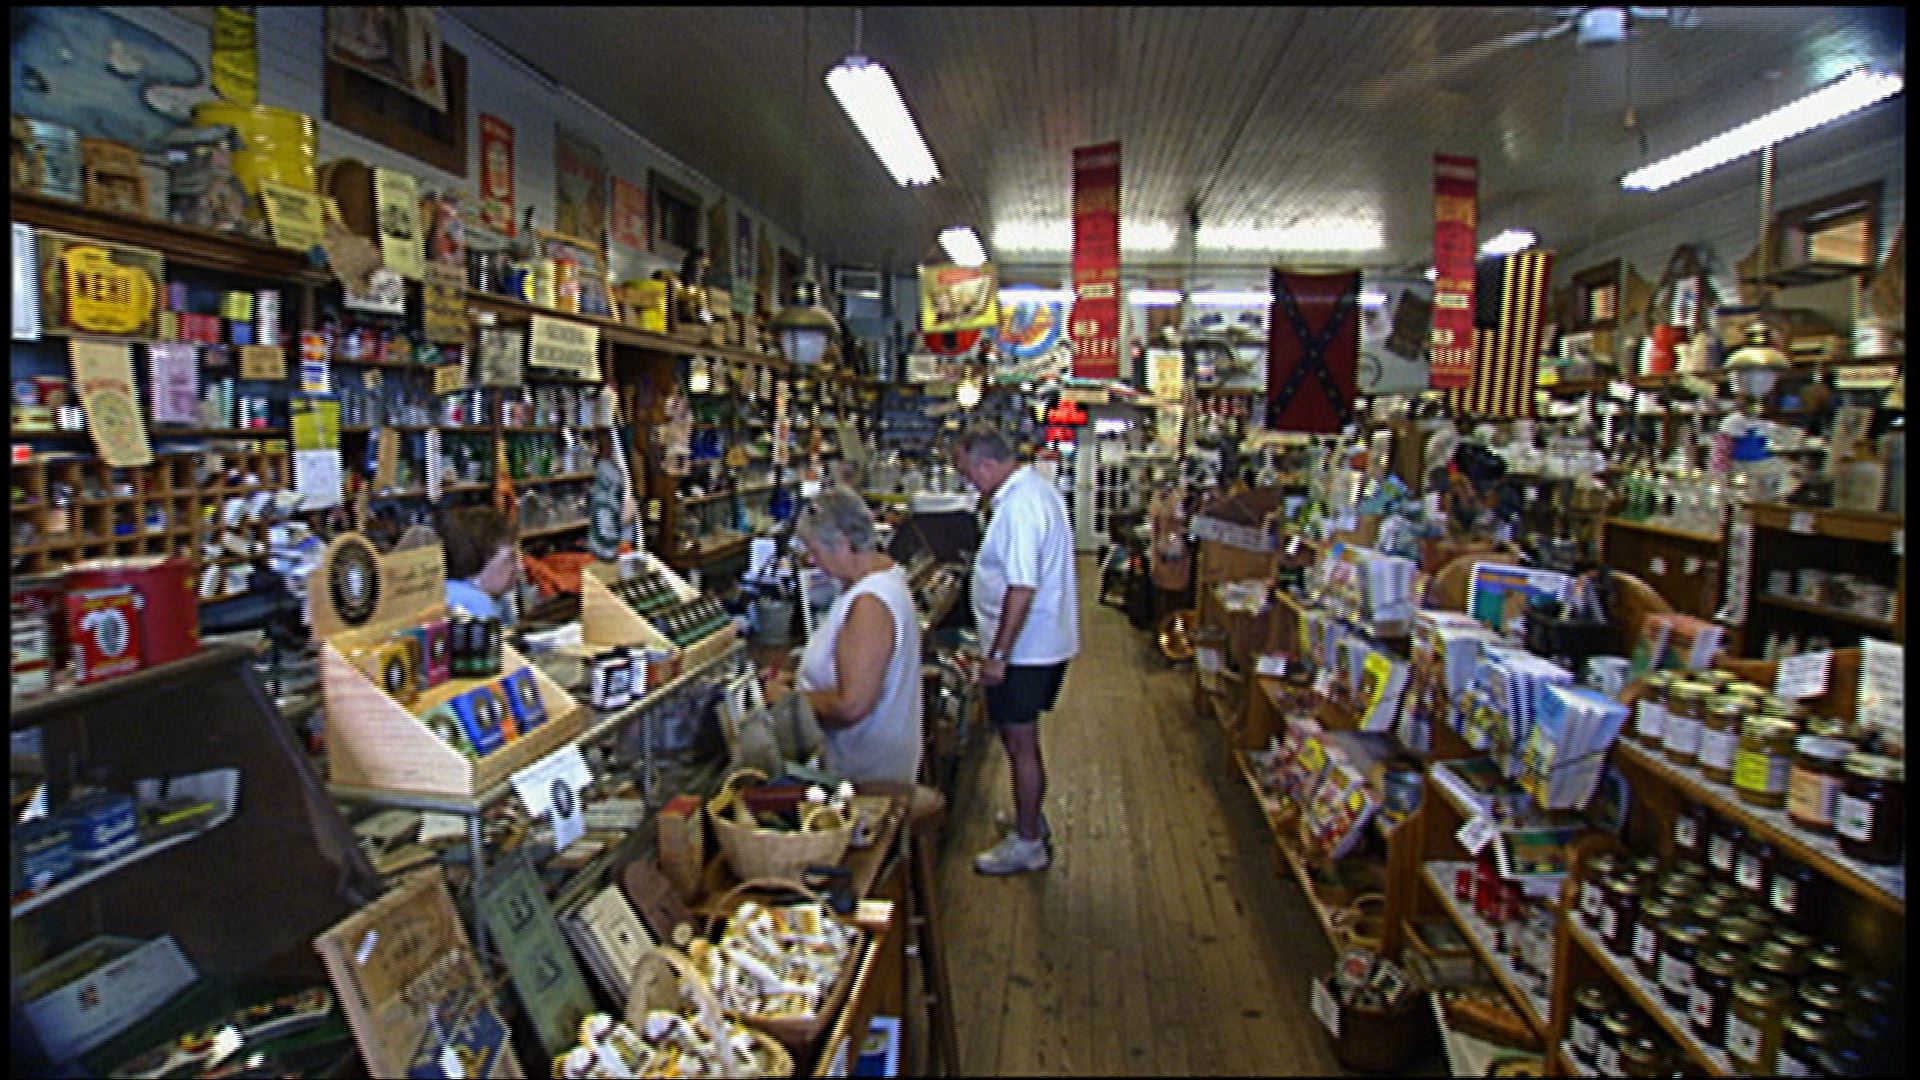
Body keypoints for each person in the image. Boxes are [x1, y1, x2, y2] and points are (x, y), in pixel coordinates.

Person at [950, 425, 1079, 875]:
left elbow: (1021, 587)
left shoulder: (1020, 505)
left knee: (1021, 744)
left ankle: (1028, 843)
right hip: (1039, 643)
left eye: (968, 471)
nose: (969, 481)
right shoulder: (1032, 492)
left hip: (1025, 650)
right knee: (1017, 740)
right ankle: (1030, 818)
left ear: (986, 463)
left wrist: (998, 654)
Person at [765, 486, 923, 785]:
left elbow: (852, 705)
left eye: (814, 551)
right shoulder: (873, 579)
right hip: (865, 759)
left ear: (841, 544)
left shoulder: (870, 603)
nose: (811, 561)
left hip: (864, 773)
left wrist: (789, 699)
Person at [440, 505, 519, 622]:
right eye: (509, 560)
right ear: (475, 561)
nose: (519, 567)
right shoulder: (474, 601)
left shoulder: (447, 589)